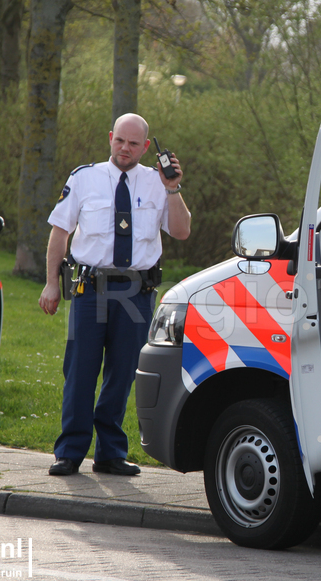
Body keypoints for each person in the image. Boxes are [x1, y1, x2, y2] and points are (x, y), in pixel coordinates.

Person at [38, 113, 191, 477]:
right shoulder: (84, 178)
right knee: (80, 371)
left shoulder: (159, 184)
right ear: (111, 138)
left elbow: (182, 231)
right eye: (120, 140)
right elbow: (60, 232)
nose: (125, 148)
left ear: (146, 147)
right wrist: (50, 282)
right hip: (90, 289)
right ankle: (69, 451)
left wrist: (173, 187)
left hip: (137, 293)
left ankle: (110, 453)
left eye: (134, 143)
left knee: (122, 373)